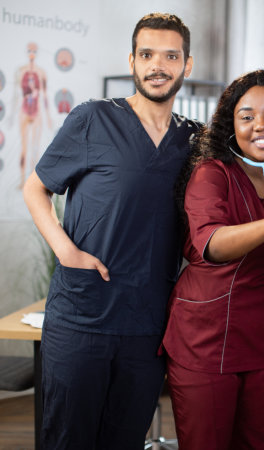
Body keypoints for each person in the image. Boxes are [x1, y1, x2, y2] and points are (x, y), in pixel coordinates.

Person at [22, 13, 201, 449]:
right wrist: (66, 251)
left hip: (148, 324)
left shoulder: (196, 141)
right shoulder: (93, 119)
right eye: (147, 55)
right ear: (133, 61)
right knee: (68, 439)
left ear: (187, 65)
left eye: (170, 56)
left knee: (124, 440)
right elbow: (36, 188)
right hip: (83, 316)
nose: (158, 65)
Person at [161, 70, 264, 450]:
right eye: (246, 116)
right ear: (231, 127)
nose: (260, 125)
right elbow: (210, 244)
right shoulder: (210, 174)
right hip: (207, 340)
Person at [13, 42, 52, 189]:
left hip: (36, 111)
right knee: (24, 148)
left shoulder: (41, 72)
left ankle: (32, 183)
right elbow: (15, 95)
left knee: (35, 148)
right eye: (29, 50)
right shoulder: (21, 71)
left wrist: (48, 116)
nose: (32, 53)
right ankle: (22, 180)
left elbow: (45, 95)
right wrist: (11, 114)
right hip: (24, 110)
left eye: (34, 51)